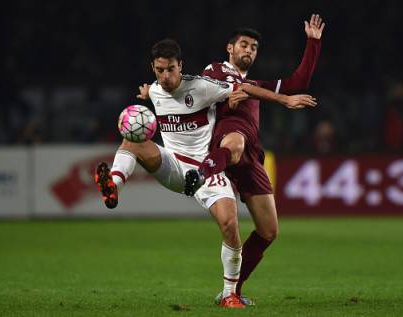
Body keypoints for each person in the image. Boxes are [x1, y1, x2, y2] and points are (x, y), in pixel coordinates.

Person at [94, 39, 317, 308]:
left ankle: (229, 294)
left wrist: (280, 99)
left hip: (205, 170)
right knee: (131, 140)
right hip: (172, 165)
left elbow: (246, 86)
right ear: (153, 68)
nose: (166, 77)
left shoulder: (201, 86)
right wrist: (146, 93)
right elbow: (153, 90)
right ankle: (113, 184)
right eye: (160, 70)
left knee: (230, 223)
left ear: (181, 66)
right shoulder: (155, 90)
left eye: (171, 69)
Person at [183, 14, 325, 304]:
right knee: (235, 141)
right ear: (230, 48)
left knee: (269, 230)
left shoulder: (256, 84)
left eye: (254, 47)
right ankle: (202, 173)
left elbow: (299, 81)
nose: (248, 50)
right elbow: (239, 89)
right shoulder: (216, 69)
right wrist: (282, 100)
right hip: (225, 139)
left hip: (252, 156)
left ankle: (232, 289)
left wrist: (313, 43)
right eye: (243, 45)